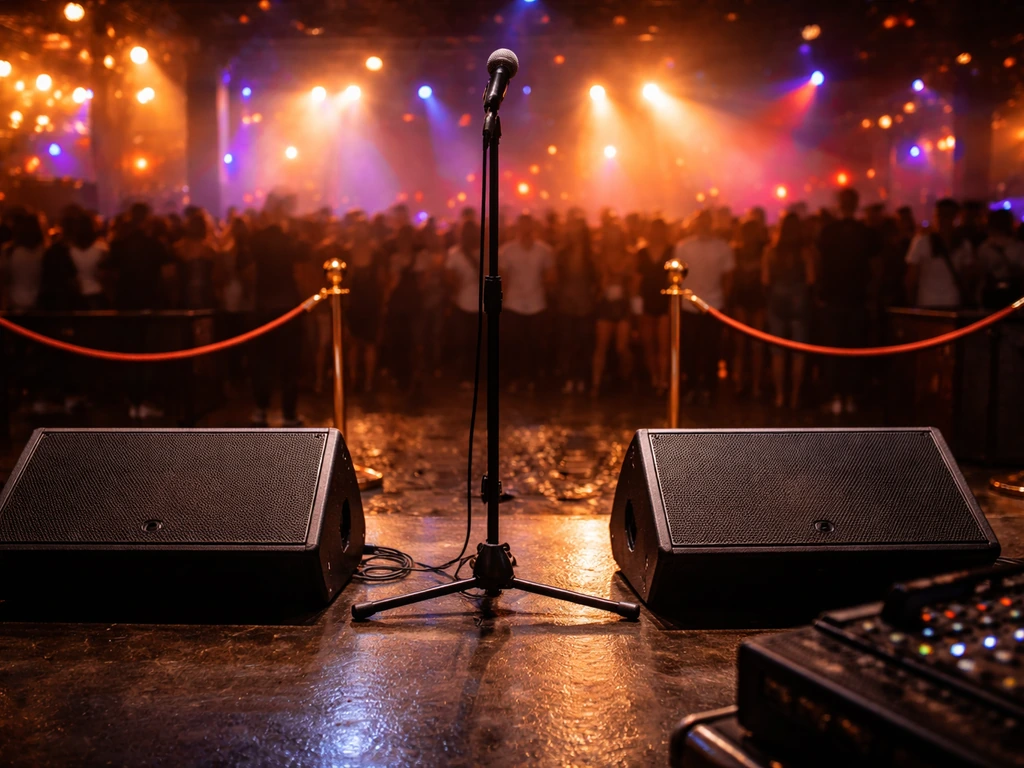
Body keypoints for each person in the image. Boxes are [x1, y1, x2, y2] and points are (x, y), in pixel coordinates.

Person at [241, 202, 308, 427]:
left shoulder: (256, 240)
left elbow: (245, 267)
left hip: (264, 307)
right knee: (289, 363)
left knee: (262, 362)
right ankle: (289, 413)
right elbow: (306, 255)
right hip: (287, 307)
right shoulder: (289, 240)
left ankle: (261, 409)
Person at [816, 187, 877, 415]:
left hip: (834, 299)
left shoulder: (828, 231)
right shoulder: (865, 232)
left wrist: (820, 294)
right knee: (854, 350)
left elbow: (820, 265)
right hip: (856, 299)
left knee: (834, 350)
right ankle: (849, 397)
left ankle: (835, 397)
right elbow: (875, 267)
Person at [674, 210, 734, 405]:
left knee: (711, 349)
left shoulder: (722, 247)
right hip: (690, 305)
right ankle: (692, 386)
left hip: (713, 305)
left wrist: (725, 302)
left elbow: (728, 278)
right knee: (690, 349)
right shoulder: (684, 247)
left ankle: (708, 388)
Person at [763, 213, 815, 409]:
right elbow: (811, 278)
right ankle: (794, 396)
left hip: (777, 297)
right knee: (798, 351)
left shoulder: (771, 250)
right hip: (799, 297)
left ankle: (779, 395)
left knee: (777, 350)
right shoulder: (805, 251)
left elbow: (765, 280)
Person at [500, 212, 554, 391]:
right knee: (514, 344)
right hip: (513, 304)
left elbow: (550, 276)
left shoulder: (544, 250)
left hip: (537, 303)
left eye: (528, 225)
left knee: (535, 344)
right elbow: (503, 278)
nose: (525, 229)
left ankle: (533, 378)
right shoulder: (507, 251)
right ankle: (515, 378)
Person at [554, 213, 597, 394]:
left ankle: (582, 379)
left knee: (584, 343)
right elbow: (556, 279)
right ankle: (568, 378)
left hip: (586, 305)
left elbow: (597, 280)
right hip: (567, 305)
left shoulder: (592, 255)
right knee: (568, 343)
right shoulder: (562, 254)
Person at [591, 222, 635, 394]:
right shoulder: (599, 256)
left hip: (622, 304)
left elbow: (633, 281)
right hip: (605, 303)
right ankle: (596, 384)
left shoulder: (629, 256)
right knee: (601, 345)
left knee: (621, 347)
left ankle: (627, 377)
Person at [905, 198, 973, 309]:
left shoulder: (921, 242)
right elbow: (968, 277)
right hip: (953, 302)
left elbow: (911, 279)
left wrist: (911, 303)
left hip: (927, 302)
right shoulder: (964, 244)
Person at [730, 218, 767, 398]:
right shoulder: (736, 251)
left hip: (755, 299)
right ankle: (746, 384)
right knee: (745, 346)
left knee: (751, 346)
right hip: (744, 299)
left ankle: (750, 384)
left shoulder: (762, 250)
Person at [636, 217, 673, 395]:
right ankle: (654, 377)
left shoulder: (673, 250)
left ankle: (664, 380)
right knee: (649, 343)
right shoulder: (642, 252)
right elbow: (637, 279)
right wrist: (636, 302)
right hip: (647, 300)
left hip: (666, 301)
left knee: (664, 342)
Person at [445, 219, 482, 384]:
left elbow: (449, 279)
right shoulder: (487, 252)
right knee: (475, 343)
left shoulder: (455, 253)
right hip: (474, 304)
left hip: (464, 303)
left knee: (464, 343)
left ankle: (466, 376)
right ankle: (476, 375)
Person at [975, 208, 1024, 309]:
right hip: (1012, 293)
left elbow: (980, 273)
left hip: (992, 295)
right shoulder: (1018, 246)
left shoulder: (985, 247)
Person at [2, 209, 46, 310]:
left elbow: (4, 278)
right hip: (38, 303)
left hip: (14, 302)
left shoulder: (10, 251)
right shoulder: (45, 252)